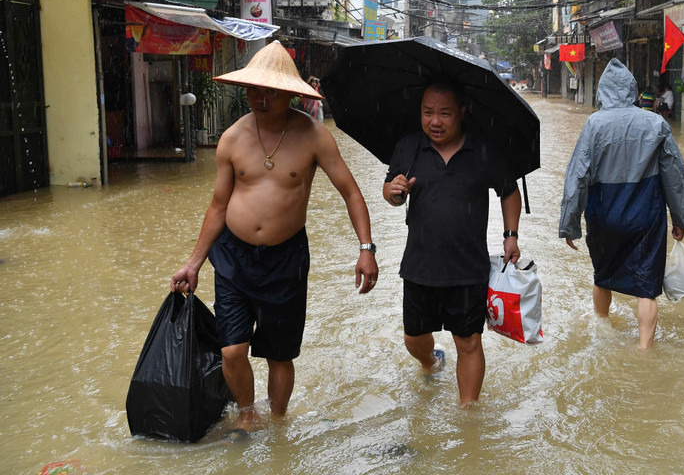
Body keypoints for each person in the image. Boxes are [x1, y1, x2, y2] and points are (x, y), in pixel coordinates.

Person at [170, 41, 379, 435]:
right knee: (231, 348)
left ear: (290, 94)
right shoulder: (232, 138)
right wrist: (194, 262)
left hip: (286, 259)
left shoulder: (314, 136)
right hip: (232, 256)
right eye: (254, 90)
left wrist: (366, 249)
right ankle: (248, 413)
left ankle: (279, 424)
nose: (260, 99)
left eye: (270, 92)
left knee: (279, 355)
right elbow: (217, 205)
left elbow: (351, 191)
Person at [383, 81, 521, 407]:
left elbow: (509, 191)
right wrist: (393, 192)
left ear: (462, 112)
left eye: (444, 113)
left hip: (467, 267)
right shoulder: (408, 147)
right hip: (420, 265)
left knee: (469, 341)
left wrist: (510, 235)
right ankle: (430, 361)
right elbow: (390, 192)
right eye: (428, 112)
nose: (435, 121)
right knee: (413, 337)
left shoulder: (483, 150)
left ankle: (468, 411)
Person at [559, 59, 684, 349]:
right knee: (647, 287)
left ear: (602, 92)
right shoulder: (656, 123)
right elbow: (675, 177)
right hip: (646, 216)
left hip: (603, 215)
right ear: (632, 91)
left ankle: (602, 329)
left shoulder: (594, 124)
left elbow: (577, 177)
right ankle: (645, 351)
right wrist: (680, 219)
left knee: (603, 276)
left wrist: (569, 223)